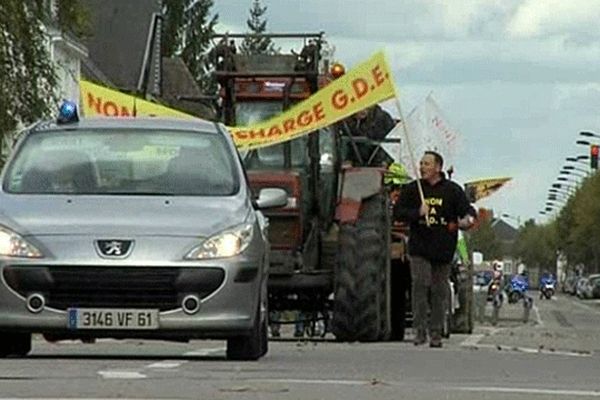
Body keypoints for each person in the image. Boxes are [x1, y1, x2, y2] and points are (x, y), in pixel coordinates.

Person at [393, 151, 476, 348]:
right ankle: (420, 330)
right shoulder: (413, 189)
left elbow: (468, 212)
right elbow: (398, 213)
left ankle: (436, 331)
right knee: (420, 285)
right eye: (421, 163)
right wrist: (417, 213)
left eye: (427, 164)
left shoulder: (452, 191)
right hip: (419, 246)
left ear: (438, 167)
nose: (423, 167)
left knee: (439, 291)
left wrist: (466, 221)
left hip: (443, 248)